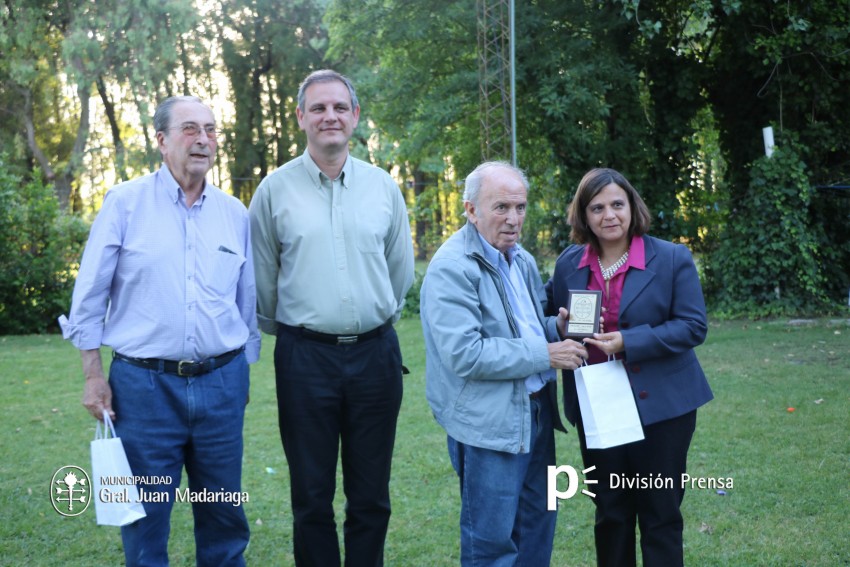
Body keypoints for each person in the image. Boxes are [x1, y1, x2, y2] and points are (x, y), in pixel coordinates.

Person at [58, 95, 260, 566]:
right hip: (143, 390)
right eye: (190, 129)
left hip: (221, 385)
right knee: (145, 520)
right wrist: (93, 375)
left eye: (210, 130)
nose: (203, 140)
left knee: (224, 514)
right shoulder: (125, 203)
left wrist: (241, 375)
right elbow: (89, 296)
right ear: (161, 140)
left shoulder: (234, 213)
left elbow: (245, 303)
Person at [248, 69, 414, 567]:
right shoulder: (273, 191)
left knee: (371, 497)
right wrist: (304, 331)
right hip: (305, 360)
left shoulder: (383, 188)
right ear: (301, 117)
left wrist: (368, 318)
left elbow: (399, 273)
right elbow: (263, 279)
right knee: (311, 499)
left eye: (340, 107)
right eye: (318, 108)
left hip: (376, 358)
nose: (330, 116)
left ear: (355, 116)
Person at [420, 161, 589, 566]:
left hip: (537, 414)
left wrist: (555, 327)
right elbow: (466, 353)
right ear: (471, 210)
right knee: (492, 543)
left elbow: (523, 327)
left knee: (539, 524)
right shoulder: (451, 268)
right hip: (487, 425)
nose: (514, 219)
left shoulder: (522, 259)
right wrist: (547, 353)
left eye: (521, 207)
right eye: (501, 208)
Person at [545, 167, 714, 567]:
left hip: (662, 408)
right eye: (597, 207)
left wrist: (628, 341)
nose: (609, 215)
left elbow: (693, 326)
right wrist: (560, 323)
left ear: (631, 206)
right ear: (583, 215)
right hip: (597, 404)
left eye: (617, 204)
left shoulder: (671, 257)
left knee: (660, 515)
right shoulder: (569, 263)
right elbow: (551, 315)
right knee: (611, 513)